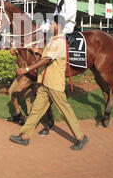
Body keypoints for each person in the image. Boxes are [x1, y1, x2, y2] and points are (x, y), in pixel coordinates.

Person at [9, 15, 88, 151]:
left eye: (52, 24)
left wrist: (26, 69)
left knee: (65, 111)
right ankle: (25, 137)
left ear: (59, 26)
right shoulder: (53, 40)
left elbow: (47, 60)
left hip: (54, 85)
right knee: (36, 111)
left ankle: (81, 137)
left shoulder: (60, 42)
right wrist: (38, 51)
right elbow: (47, 55)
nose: (50, 26)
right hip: (45, 84)